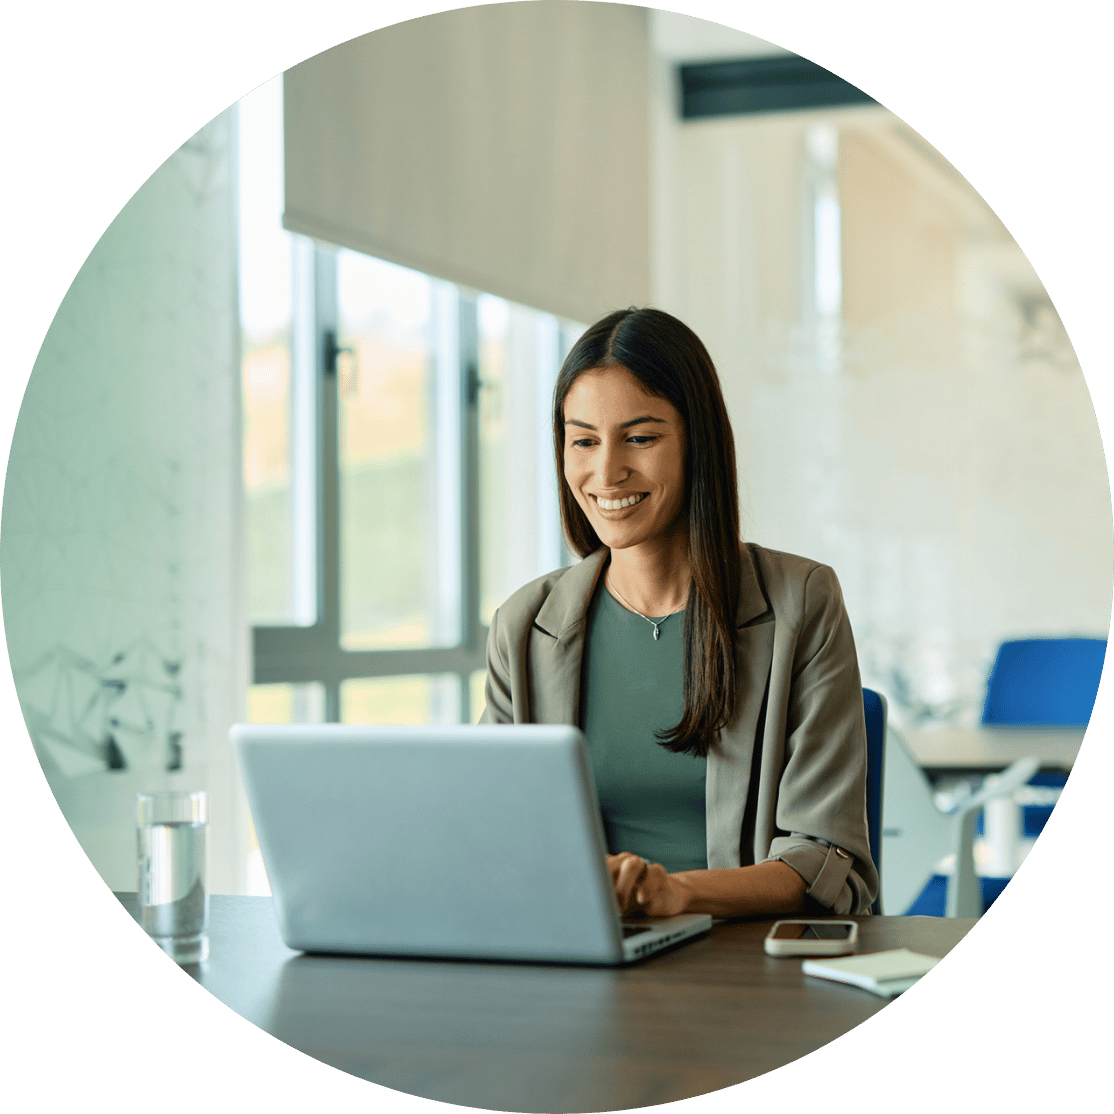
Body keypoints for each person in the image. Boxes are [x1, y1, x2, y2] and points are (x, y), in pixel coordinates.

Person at [481, 307, 877, 918]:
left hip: (748, 969)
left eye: (640, 438)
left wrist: (678, 892)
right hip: (577, 959)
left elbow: (822, 858)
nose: (607, 472)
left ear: (699, 443)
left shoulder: (802, 601)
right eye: (583, 440)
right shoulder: (525, 625)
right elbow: (496, 834)